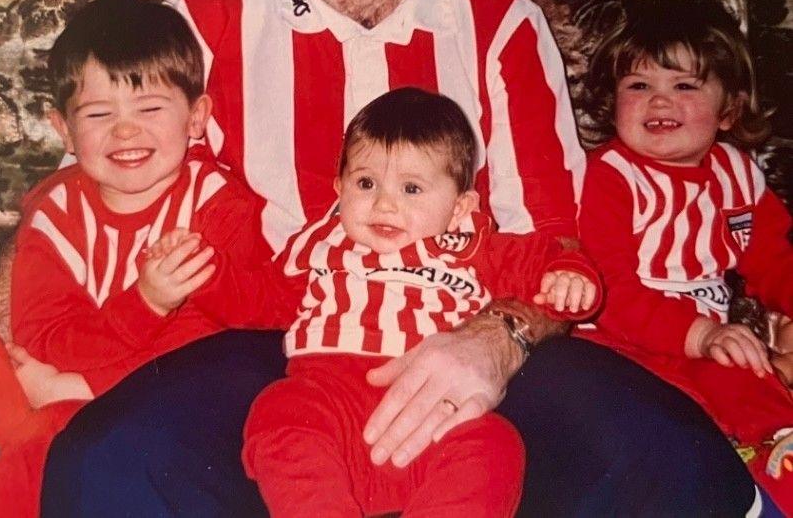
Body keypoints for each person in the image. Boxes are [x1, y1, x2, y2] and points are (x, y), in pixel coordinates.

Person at [42, 0, 758, 517]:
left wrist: (496, 341)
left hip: (468, 320)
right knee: (102, 468)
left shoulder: (502, 28)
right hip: (266, 346)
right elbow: (81, 202)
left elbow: (559, 244)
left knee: (672, 463)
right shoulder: (201, 23)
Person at [0, 0, 273, 518]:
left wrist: (85, 381)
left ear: (197, 117)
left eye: (150, 108)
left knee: (26, 476)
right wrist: (142, 307)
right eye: (98, 113)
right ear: (64, 129)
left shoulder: (218, 207)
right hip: (40, 395)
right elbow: (45, 336)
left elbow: (217, 346)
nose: (126, 130)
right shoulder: (55, 211)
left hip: (145, 414)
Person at [235, 88, 600, 516]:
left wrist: (571, 278)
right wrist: (207, 278)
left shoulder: (473, 247)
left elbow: (548, 260)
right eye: (366, 183)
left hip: (436, 418)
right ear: (339, 189)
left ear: (459, 207)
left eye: (412, 188)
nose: (385, 203)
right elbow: (262, 298)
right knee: (278, 410)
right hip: (330, 404)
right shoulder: (322, 243)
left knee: (494, 444)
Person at [578, 15, 793, 512]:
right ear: (614, 104)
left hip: (708, 346)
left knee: (744, 383)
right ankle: (752, 482)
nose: (658, 99)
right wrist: (701, 335)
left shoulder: (737, 173)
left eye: (684, 85)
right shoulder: (610, 177)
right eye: (638, 85)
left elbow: (773, 262)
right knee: (717, 400)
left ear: (729, 111)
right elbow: (609, 290)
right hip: (621, 344)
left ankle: (762, 467)